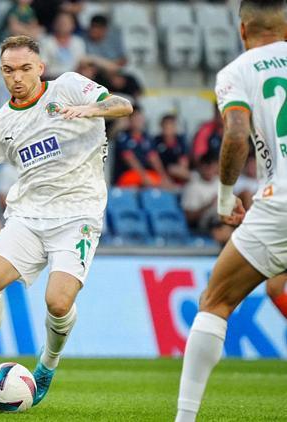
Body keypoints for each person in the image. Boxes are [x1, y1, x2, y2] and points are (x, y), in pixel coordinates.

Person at [0, 35, 132, 406]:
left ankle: (47, 366)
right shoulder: (0, 123)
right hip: (28, 217)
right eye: (8, 70)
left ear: (41, 67)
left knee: (58, 303)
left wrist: (91, 110)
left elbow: (123, 105)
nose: (17, 77)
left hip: (78, 214)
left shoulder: (68, 88)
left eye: (25, 68)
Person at [175, 1, 287, 420]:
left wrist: (225, 197)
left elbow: (237, 134)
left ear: (242, 30)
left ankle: (185, 418)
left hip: (280, 203)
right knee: (277, 285)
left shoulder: (239, 71)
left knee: (215, 301)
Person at [113, 107, 172, 188]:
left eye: (140, 118)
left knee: (162, 182)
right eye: (136, 118)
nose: (139, 121)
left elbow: (154, 158)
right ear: (130, 120)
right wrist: (144, 176)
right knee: (151, 182)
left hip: (143, 174)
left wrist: (164, 177)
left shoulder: (146, 137)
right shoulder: (123, 137)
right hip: (127, 175)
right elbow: (130, 160)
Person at [41, 12, 86, 79]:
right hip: (52, 78)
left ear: (73, 25)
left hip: (74, 78)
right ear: (54, 24)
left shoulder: (78, 42)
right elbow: (42, 65)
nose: (62, 25)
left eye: (66, 23)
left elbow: (82, 63)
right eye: (60, 22)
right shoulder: (45, 41)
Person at [153, 114, 190, 185]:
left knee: (174, 169)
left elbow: (183, 162)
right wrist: (164, 176)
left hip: (176, 172)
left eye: (171, 125)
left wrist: (180, 172)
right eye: (166, 125)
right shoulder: (156, 141)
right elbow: (154, 160)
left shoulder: (181, 141)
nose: (168, 128)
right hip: (161, 173)